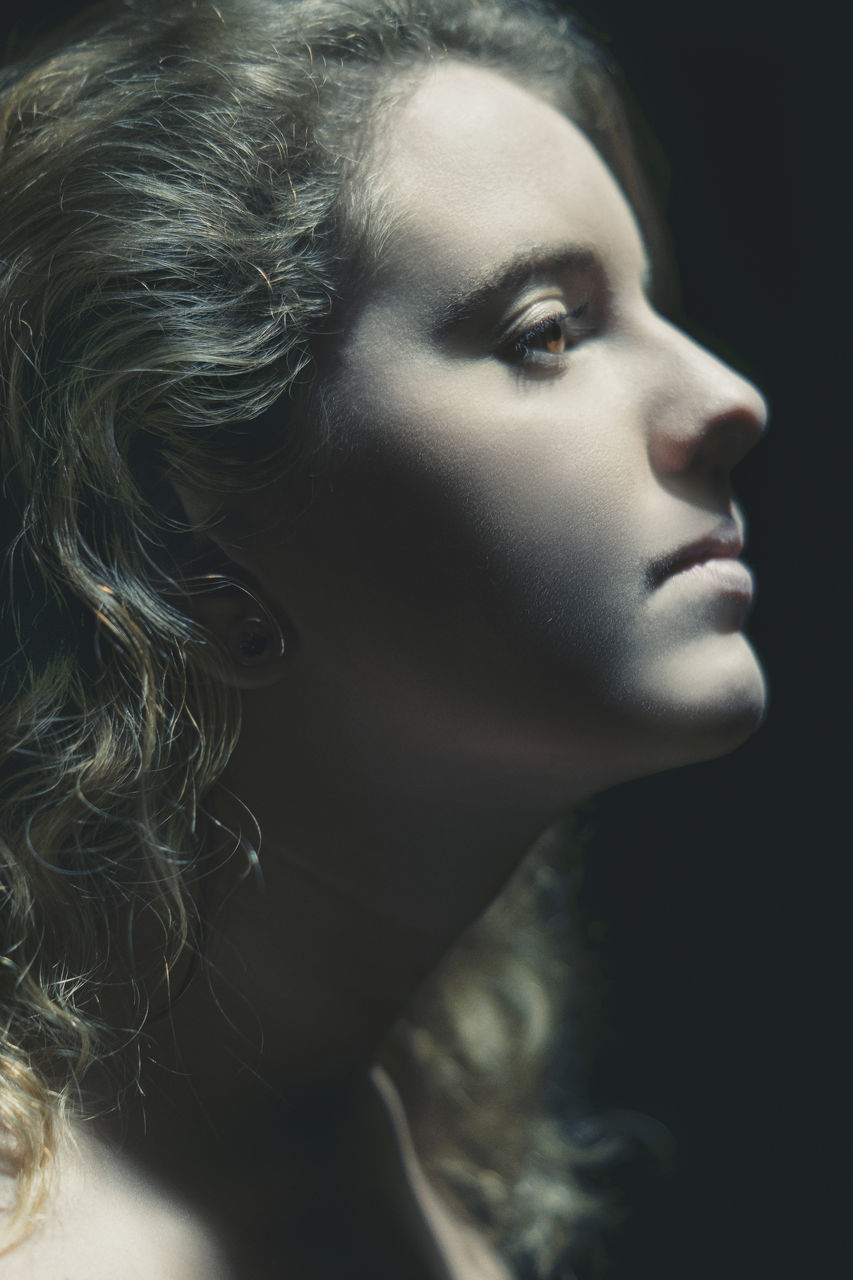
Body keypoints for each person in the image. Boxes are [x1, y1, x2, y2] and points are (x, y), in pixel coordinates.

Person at [0, 0, 768, 1275]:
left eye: (647, 304)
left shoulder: (369, 1127)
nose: (726, 397)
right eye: (548, 332)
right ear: (189, 539)